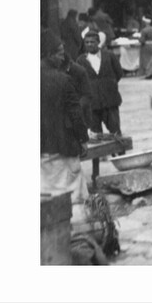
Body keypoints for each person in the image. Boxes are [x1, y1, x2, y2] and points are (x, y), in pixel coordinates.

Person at [41, 30, 89, 203]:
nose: (63, 58)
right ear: (48, 54)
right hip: (64, 145)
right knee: (72, 195)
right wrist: (83, 139)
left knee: (45, 195)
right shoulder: (63, 80)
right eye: (59, 54)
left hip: (42, 148)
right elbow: (75, 114)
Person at [77, 31, 123, 137]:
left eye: (92, 42)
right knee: (96, 135)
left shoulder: (109, 56)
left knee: (115, 131)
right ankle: (102, 154)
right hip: (92, 104)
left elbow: (119, 73)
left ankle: (121, 153)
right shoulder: (81, 60)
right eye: (87, 42)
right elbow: (79, 80)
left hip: (110, 101)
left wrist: (108, 84)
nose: (89, 44)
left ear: (98, 42)